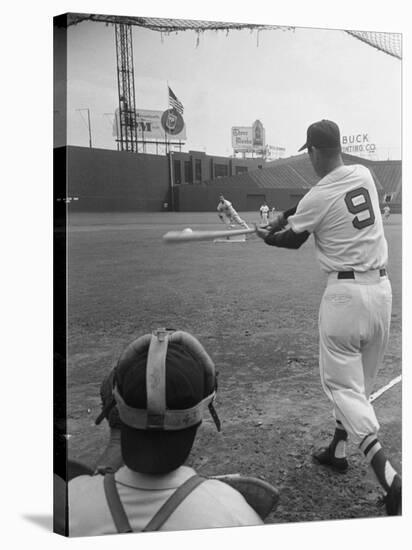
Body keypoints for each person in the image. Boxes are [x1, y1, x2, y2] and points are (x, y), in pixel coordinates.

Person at [255, 119, 401, 516]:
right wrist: (284, 215)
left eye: (309, 153)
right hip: (381, 295)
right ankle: (338, 449)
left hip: (344, 300)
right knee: (360, 386)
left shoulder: (318, 195)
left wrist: (266, 234)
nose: (310, 159)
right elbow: (310, 204)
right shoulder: (363, 174)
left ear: (316, 152)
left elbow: (294, 239)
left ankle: (389, 478)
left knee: (342, 387)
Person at [68, 328, 263, 536]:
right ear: (199, 416)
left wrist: (116, 436)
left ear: (116, 408)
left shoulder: (71, 499)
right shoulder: (233, 513)